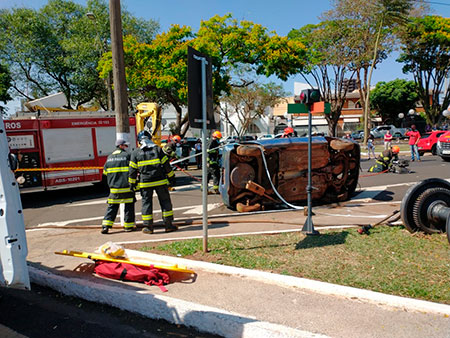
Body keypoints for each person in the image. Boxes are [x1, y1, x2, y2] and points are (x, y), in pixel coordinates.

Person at [129, 130, 177, 234]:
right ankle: (168, 225)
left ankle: (148, 227)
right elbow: (166, 166)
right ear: (150, 139)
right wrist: (171, 177)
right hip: (160, 181)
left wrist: (132, 183)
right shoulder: (158, 150)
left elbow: (132, 171)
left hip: (145, 183)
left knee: (146, 204)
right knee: (165, 203)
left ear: (139, 141)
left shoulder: (135, 153)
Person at [101, 139, 135, 234]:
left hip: (114, 189)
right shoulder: (127, 156)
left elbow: (105, 174)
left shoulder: (109, 158)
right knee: (129, 207)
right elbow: (133, 170)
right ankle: (128, 227)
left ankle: (105, 226)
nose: (126, 148)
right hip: (126, 188)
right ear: (121, 146)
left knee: (112, 207)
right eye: (125, 146)